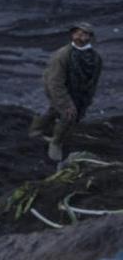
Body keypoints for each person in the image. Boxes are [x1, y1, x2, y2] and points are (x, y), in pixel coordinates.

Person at [29, 22, 103, 162]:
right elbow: (54, 82)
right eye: (76, 32)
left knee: (57, 110)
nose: (79, 35)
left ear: (90, 37)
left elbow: (94, 79)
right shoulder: (63, 55)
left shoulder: (95, 57)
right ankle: (56, 142)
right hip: (58, 88)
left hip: (79, 92)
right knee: (68, 114)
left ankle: (36, 130)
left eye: (84, 33)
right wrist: (66, 103)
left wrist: (88, 97)